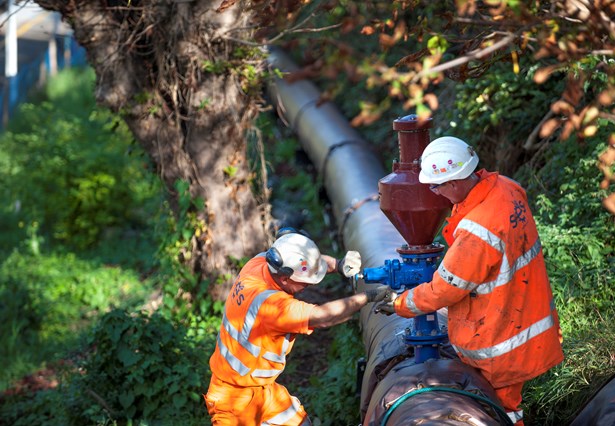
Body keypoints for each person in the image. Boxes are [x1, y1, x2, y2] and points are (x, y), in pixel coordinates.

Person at [377, 136, 564, 425]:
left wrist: (401, 304)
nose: (435, 193)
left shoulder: (476, 232)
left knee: (500, 409)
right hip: (525, 315)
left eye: (436, 186)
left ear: (454, 182)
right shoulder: (507, 188)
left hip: (500, 342)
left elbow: (444, 290)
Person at [204, 229, 393, 425]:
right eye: (304, 283)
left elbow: (307, 264)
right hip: (235, 402)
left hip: (262, 390)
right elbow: (323, 317)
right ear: (285, 278)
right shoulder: (272, 307)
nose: (308, 286)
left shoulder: (261, 263)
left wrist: (338, 265)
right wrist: (369, 297)